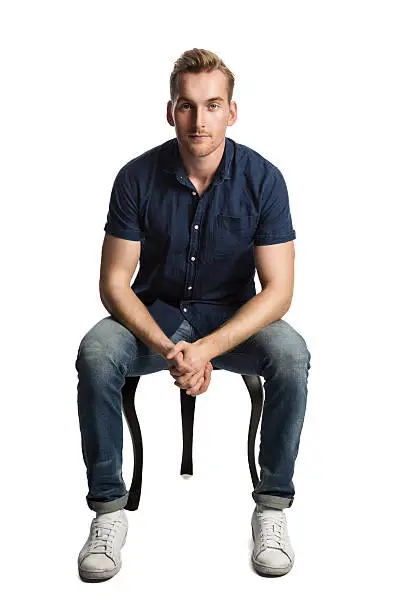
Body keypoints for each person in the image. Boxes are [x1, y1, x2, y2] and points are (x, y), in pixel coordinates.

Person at [75, 47, 311, 582]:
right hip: (153, 317)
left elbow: (279, 292)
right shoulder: (135, 177)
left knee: (291, 355)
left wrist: (206, 348)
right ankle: (108, 512)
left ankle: (271, 507)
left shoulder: (264, 179)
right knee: (96, 353)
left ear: (231, 111)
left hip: (232, 320)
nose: (199, 120)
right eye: (187, 106)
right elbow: (114, 284)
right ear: (170, 110)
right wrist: (168, 347)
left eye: (212, 105)